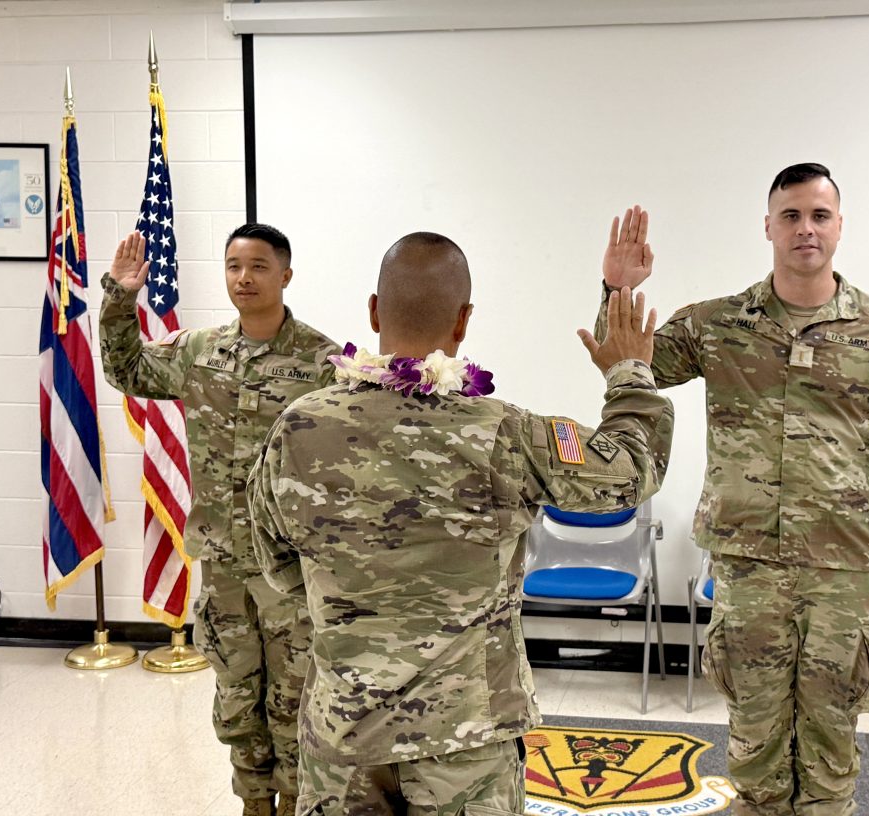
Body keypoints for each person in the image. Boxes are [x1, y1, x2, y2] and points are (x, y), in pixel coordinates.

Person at [247, 231, 674, 816]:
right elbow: (630, 471)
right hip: (465, 741)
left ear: (373, 310)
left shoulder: (298, 428)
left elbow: (276, 562)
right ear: (464, 321)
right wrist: (628, 373)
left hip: (343, 735)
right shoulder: (506, 434)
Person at [597, 165, 869, 815]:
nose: (805, 229)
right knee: (754, 734)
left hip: (842, 568)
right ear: (768, 227)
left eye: (818, 215)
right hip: (748, 563)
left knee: (830, 734)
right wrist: (617, 291)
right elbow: (631, 362)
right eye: (790, 216)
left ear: (839, 226)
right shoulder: (718, 325)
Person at [100, 224, 341, 816]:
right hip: (223, 559)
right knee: (235, 690)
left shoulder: (324, 361)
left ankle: (292, 800)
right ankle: (253, 800)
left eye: (258, 266)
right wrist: (119, 298)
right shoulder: (197, 351)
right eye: (233, 265)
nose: (244, 278)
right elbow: (125, 370)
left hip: (289, 565)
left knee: (293, 693)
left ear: (286, 274)